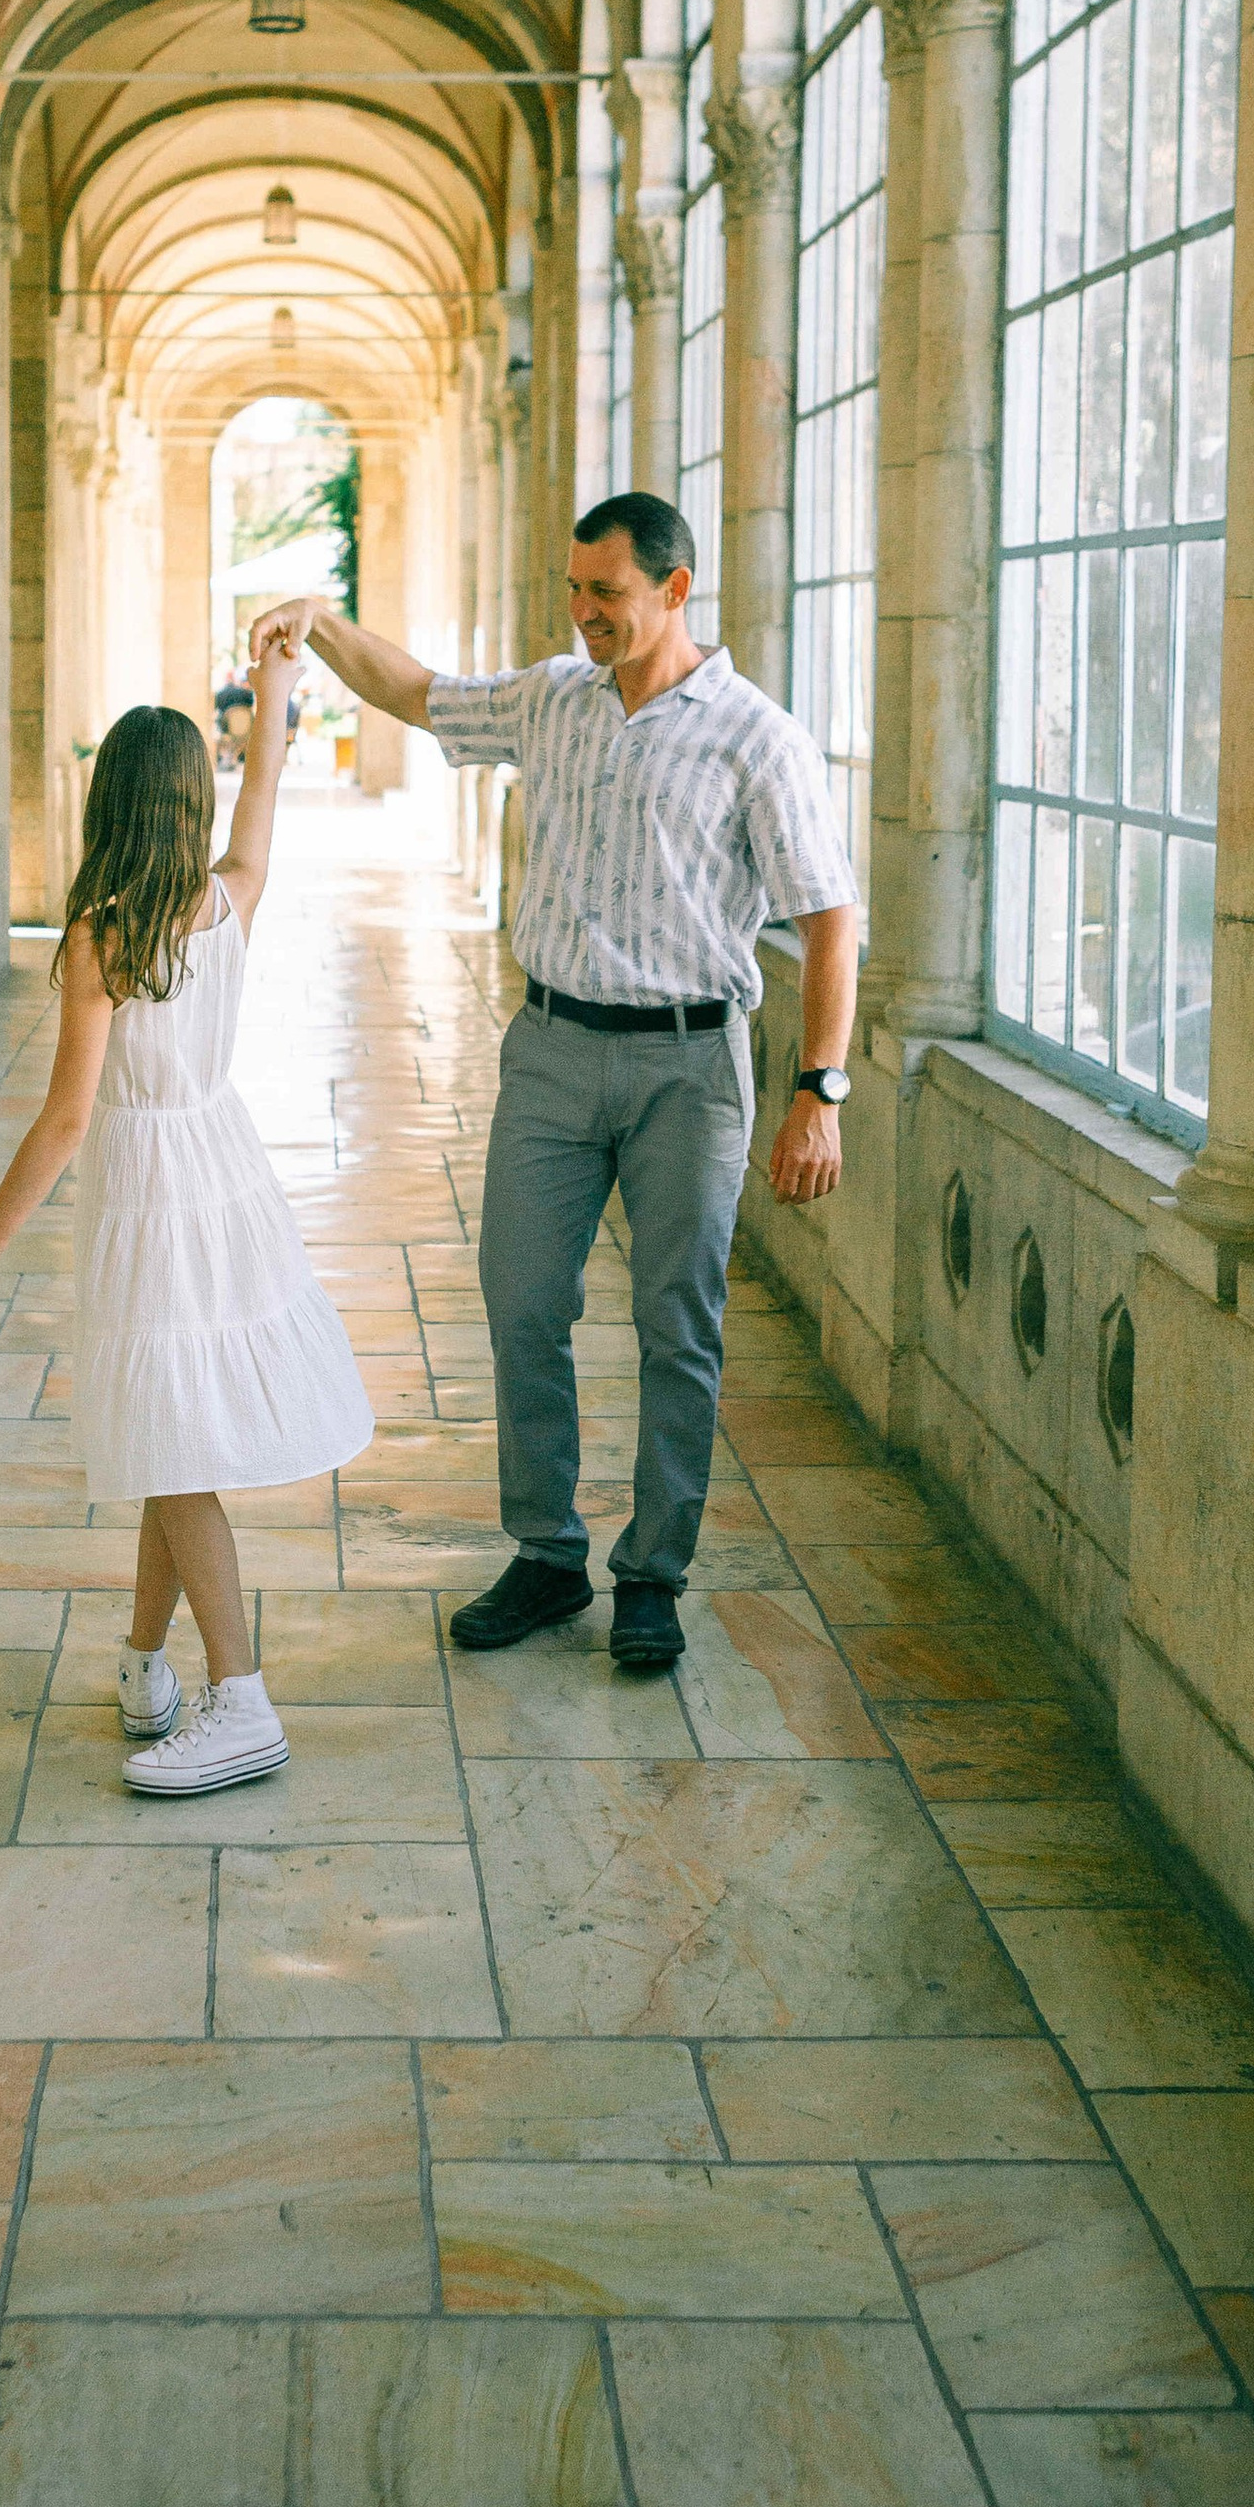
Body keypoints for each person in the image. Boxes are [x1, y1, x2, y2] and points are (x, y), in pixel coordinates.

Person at [250, 491, 858, 1674]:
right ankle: (545, 1552)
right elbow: (415, 692)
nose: (583, 611)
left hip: (690, 1065)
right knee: (524, 1302)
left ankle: (653, 1575)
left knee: (678, 1325)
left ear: (674, 590)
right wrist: (319, 622)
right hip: (550, 1050)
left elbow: (831, 919)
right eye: (574, 589)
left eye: (606, 593)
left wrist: (816, 1093)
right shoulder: (553, 699)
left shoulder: (757, 737)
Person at [0, 640, 372, 1790]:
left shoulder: (103, 936)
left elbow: (66, 1120)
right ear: (188, 803)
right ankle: (142, 1662)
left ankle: (242, 1700)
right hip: (219, 1176)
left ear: (106, 804)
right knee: (169, 1433)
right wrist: (275, 690)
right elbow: (263, 802)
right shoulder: (226, 900)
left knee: (175, 1445)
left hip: (154, 1203)